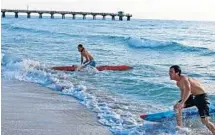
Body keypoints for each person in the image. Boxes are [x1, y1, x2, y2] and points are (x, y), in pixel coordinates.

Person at [169, 65, 215, 134]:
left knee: (205, 121)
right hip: (193, 96)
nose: (169, 73)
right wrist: (181, 103)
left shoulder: (184, 78)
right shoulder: (178, 83)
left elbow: (188, 90)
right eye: (169, 72)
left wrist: (182, 103)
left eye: (171, 72)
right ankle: (180, 128)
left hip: (201, 97)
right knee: (176, 107)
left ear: (177, 72)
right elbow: (183, 92)